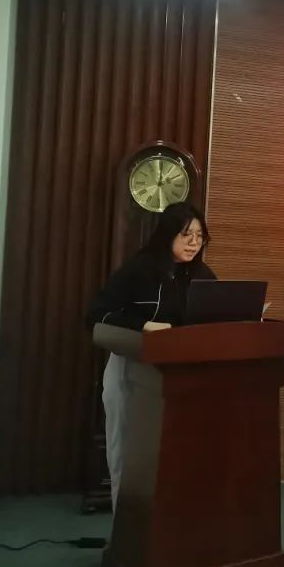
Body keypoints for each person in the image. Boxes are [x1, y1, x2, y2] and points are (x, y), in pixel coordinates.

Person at [85, 202, 215, 506]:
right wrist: (143, 325)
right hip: (132, 370)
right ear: (167, 234)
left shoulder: (202, 275)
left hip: (181, 376)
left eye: (199, 236)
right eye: (186, 235)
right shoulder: (138, 270)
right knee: (127, 453)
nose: (194, 243)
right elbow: (96, 314)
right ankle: (124, 522)